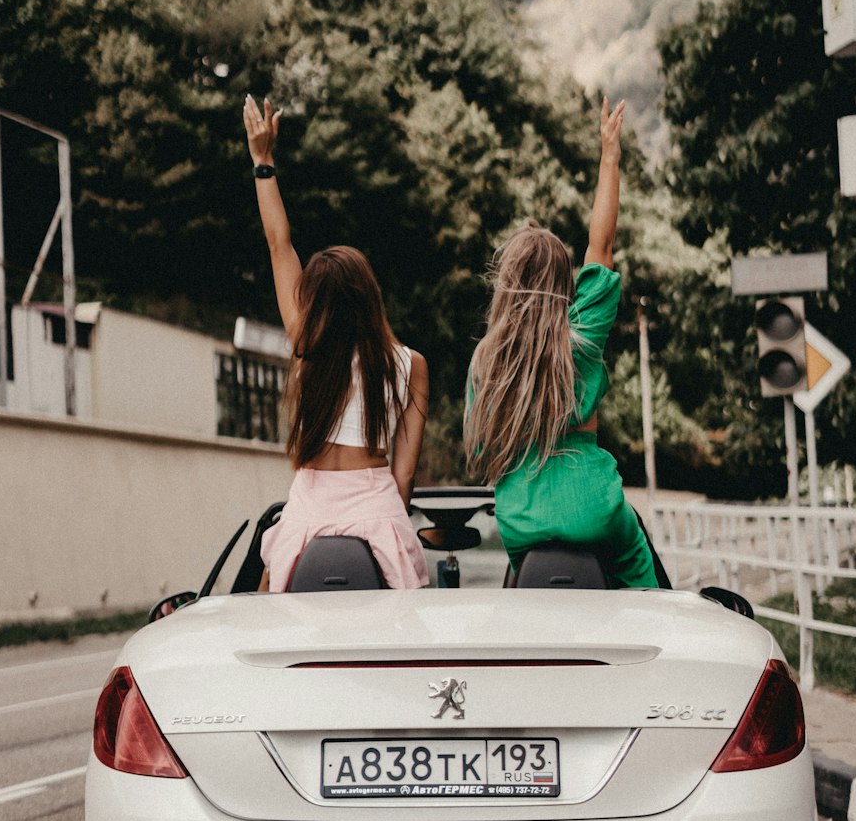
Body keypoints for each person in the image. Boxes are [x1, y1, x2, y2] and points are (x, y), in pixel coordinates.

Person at [463, 97, 657, 588]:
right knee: (641, 572)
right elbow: (602, 248)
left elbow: (484, 448)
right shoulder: (583, 337)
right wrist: (609, 157)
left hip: (520, 521)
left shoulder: (487, 359)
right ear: (564, 285)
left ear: (506, 282)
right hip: (596, 510)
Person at [243, 94, 429, 591]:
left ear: (316, 304)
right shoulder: (411, 364)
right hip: (379, 512)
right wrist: (391, 520)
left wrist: (263, 162)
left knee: (259, 613)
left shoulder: (307, 346)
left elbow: (279, 243)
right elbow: (404, 476)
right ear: (370, 297)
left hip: (307, 513)